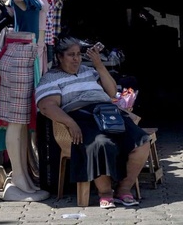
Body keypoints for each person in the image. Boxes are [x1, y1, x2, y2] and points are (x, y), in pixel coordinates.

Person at [35, 36, 150, 209]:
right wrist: (70, 123)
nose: (76, 59)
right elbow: (47, 106)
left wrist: (99, 65)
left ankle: (123, 189)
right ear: (59, 57)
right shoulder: (50, 78)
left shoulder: (88, 72)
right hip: (80, 115)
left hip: (108, 112)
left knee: (141, 141)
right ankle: (105, 193)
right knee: (101, 144)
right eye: (71, 55)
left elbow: (112, 93)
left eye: (78, 55)